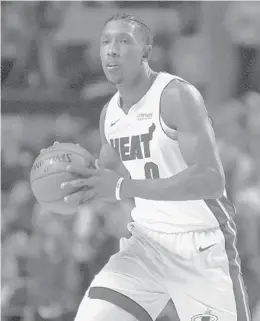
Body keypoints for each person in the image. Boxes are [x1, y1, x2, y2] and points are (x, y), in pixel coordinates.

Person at [61, 13, 251, 321]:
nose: (111, 50)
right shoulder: (109, 115)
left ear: (146, 52)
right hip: (146, 245)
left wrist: (123, 187)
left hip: (198, 245)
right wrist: (80, 184)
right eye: (105, 42)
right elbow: (111, 182)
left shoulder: (175, 96)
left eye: (124, 41)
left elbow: (210, 179)